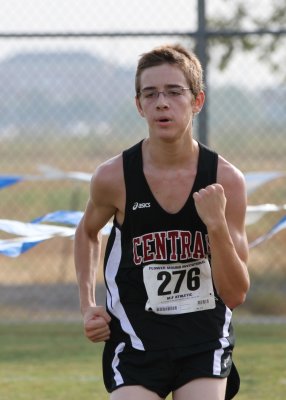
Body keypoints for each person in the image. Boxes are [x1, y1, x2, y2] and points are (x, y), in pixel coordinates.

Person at [74, 43, 250, 400]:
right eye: (150, 94)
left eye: (174, 92)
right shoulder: (113, 177)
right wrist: (88, 305)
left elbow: (235, 293)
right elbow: (87, 233)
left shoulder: (225, 180)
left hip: (203, 339)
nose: (162, 103)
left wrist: (215, 225)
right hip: (137, 340)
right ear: (139, 105)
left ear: (197, 101)